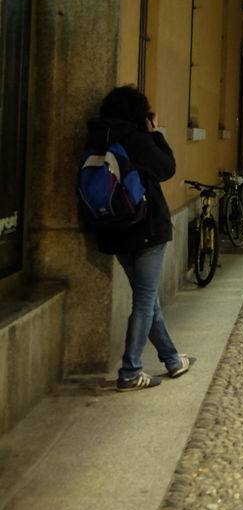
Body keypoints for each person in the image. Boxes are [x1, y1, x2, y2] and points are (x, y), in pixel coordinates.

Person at [86, 85, 192, 392]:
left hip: (113, 228)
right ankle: (131, 371)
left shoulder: (97, 137)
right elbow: (167, 168)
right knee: (145, 300)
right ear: (138, 113)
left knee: (147, 298)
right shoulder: (136, 139)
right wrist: (154, 132)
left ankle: (172, 359)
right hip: (145, 228)